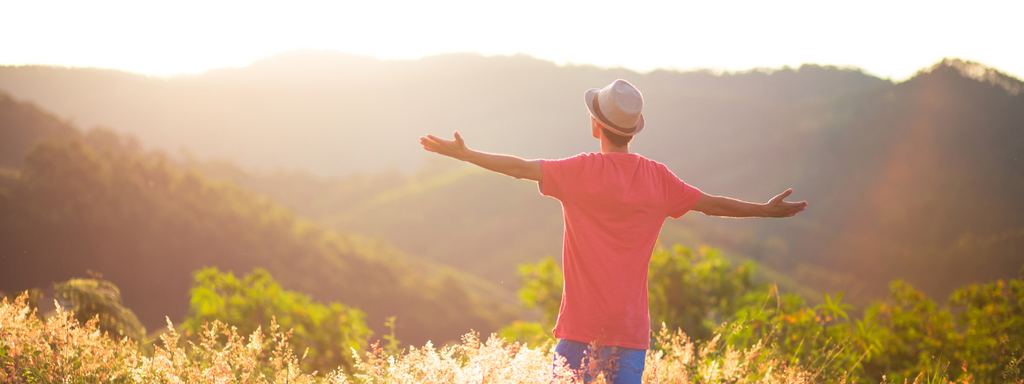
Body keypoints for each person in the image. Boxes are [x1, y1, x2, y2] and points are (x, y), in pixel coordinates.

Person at [419, 79, 807, 384]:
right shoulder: (658, 179)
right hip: (630, 331)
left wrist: (466, 155)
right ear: (632, 130)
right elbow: (713, 204)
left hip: (580, 327)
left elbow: (520, 167)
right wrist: (764, 211)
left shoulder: (580, 171)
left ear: (595, 125)